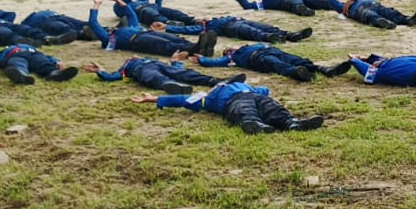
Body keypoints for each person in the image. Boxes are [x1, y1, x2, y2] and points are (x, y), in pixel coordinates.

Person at [131, 82, 322, 133]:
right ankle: (253, 124)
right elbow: (181, 99)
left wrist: (260, 91)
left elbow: (264, 90)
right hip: (233, 101)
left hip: (253, 95)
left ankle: (292, 123)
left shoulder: (250, 87)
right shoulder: (206, 98)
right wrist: (153, 99)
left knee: (273, 107)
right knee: (244, 110)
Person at [86, 0, 216, 58]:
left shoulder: (130, 27)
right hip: (136, 40)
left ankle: (201, 47)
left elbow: (131, 13)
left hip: (144, 32)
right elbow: (93, 23)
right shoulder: (108, 39)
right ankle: (196, 49)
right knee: (164, 44)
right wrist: (96, 5)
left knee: (173, 38)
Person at [0, 23, 80, 85]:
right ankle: (20, 76)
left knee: (44, 63)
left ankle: (54, 74)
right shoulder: (3, 52)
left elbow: (47, 57)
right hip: (14, 56)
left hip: (35, 55)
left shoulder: (33, 48)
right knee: (17, 64)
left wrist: (56, 61)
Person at [196, 43, 351, 83]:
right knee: (275, 63)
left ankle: (324, 69)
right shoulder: (233, 58)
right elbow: (214, 62)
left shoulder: (248, 45)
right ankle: (296, 73)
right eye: (227, 49)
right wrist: (201, 59)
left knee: (296, 59)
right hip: (257, 58)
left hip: (271, 50)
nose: (230, 48)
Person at [85, 56, 243, 92]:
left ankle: (217, 80)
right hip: (143, 71)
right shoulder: (125, 67)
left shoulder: (150, 59)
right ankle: (171, 86)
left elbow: (177, 68)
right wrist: (100, 70)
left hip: (161, 65)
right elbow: (111, 77)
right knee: (153, 76)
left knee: (183, 73)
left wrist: (175, 61)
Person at [113, 0, 199, 28]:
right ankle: (168, 23)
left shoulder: (139, 1)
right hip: (141, 10)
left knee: (173, 12)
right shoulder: (119, 8)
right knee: (153, 15)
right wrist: (144, 1)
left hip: (154, 6)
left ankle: (192, 21)